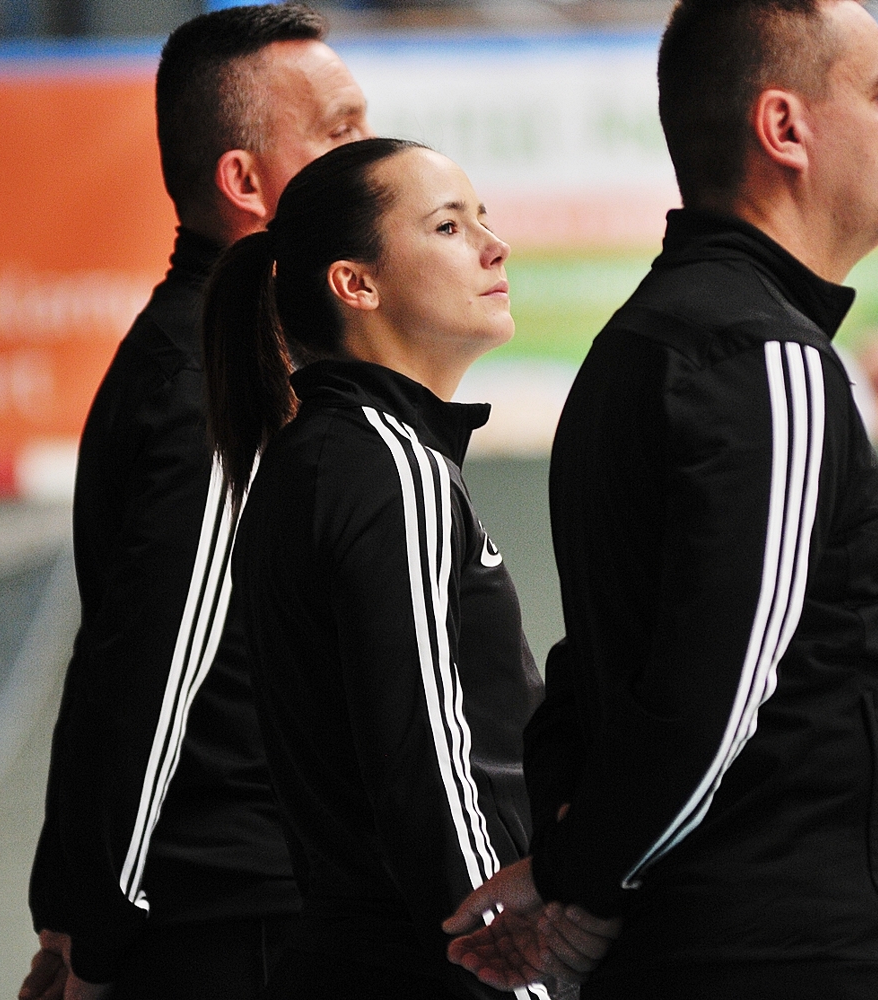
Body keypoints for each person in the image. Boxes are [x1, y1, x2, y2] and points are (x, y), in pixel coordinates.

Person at [444, 0, 878, 996]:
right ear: (784, 128)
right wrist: (572, 878)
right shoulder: (763, 354)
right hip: (798, 955)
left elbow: (600, 673)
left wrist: (582, 881)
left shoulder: (639, 346)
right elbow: (712, 690)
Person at [20, 7, 370, 1000]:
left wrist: (69, 902)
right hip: (229, 928)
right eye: (340, 132)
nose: (372, 156)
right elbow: (153, 671)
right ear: (245, 183)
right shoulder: (219, 379)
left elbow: (110, 657)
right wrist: (94, 938)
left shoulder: (224, 350)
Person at [201, 137, 590, 1000]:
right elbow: (431, 761)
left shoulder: (329, 458)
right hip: (431, 970)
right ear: (357, 284)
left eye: (484, 219)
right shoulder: (384, 469)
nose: (495, 246)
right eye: (449, 226)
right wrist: (514, 980)